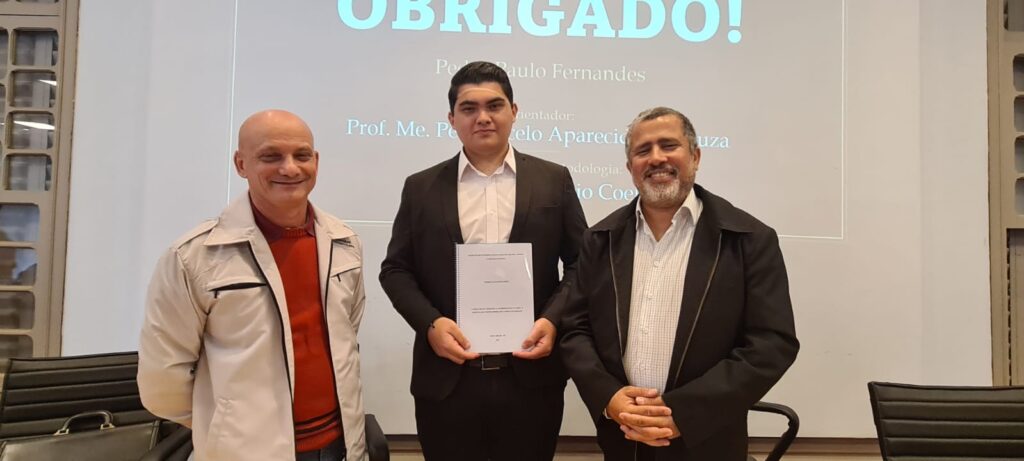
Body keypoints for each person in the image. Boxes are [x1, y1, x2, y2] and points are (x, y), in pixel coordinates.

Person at [560, 107, 799, 460]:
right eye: (643, 150)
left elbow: (771, 344)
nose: (656, 158)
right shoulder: (600, 239)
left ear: (696, 156)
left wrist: (684, 413)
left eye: (669, 145)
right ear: (630, 167)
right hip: (623, 440)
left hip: (709, 444)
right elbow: (574, 330)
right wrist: (608, 397)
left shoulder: (748, 240)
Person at [379, 61, 587, 461]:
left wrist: (552, 320)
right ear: (452, 119)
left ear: (514, 111)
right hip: (447, 379)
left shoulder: (554, 179)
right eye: (469, 108)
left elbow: (582, 263)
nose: (483, 117)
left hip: (530, 378)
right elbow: (396, 270)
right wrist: (430, 324)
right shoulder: (420, 187)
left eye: (494, 105)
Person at [138, 110, 367, 461]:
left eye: (302, 155)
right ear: (240, 164)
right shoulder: (193, 257)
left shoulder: (345, 242)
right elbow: (162, 381)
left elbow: (347, 333)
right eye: (271, 156)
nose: (290, 168)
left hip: (340, 445)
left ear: (316, 162)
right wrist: (226, 426)